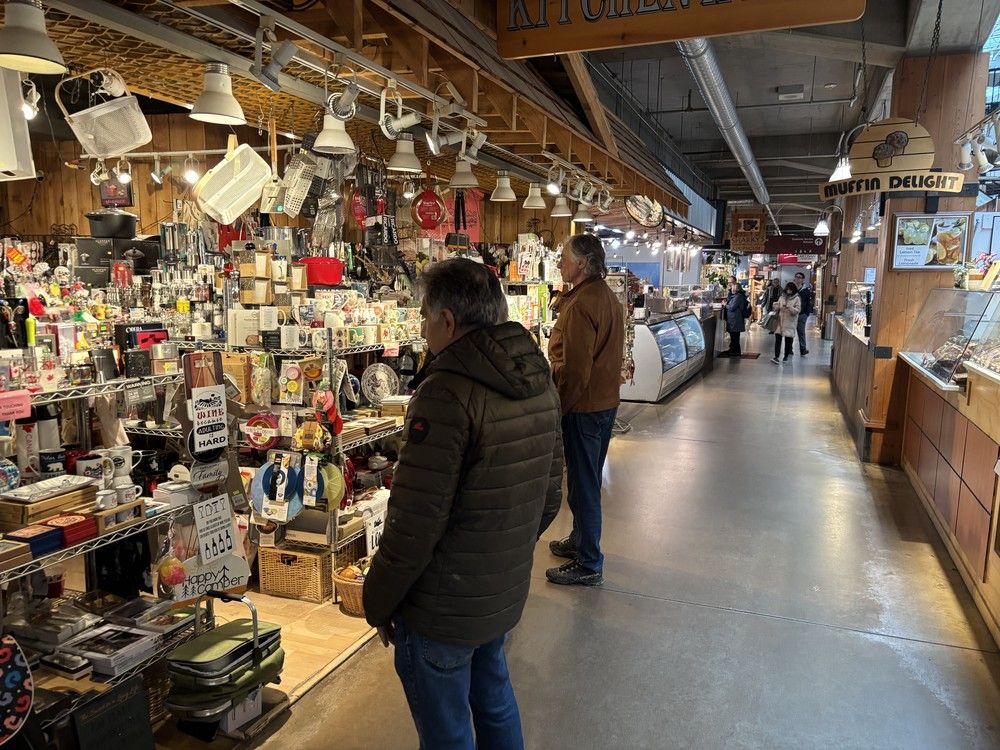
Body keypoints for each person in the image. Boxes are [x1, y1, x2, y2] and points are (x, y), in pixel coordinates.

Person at [362, 258, 563, 750]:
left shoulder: (445, 392)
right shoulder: (538, 378)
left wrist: (377, 600)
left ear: (447, 320)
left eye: (425, 316)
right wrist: (502, 553)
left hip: (439, 609)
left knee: (448, 733)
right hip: (498, 594)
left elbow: (413, 526)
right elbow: (552, 495)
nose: (424, 328)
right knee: (495, 702)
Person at [546, 234, 624, 587]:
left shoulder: (579, 305)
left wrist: (561, 407)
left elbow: (576, 372)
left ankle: (589, 562)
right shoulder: (606, 296)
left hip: (583, 407)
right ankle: (579, 540)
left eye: (565, 256)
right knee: (586, 478)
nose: (560, 261)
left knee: (584, 484)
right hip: (604, 404)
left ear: (583, 263)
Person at [771, 281, 802, 364]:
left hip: (790, 322)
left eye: (790, 289)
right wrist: (776, 306)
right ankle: (776, 357)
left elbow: (798, 310)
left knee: (788, 341)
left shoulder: (797, 299)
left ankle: (785, 356)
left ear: (793, 290)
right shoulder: (782, 297)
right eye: (787, 289)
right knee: (778, 340)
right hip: (780, 322)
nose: (788, 291)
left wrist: (790, 307)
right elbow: (778, 305)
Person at [721, 276, 749, 357]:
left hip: (735, 319)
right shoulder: (733, 295)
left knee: (735, 336)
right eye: (729, 283)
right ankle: (733, 350)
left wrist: (725, 304)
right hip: (733, 318)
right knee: (734, 336)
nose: (730, 285)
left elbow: (732, 307)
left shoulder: (738, 296)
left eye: (731, 284)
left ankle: (735, 352)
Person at [794, 271, 814, 356]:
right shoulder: (791, 288)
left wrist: (807, 313)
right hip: (791, 314)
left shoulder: (806, 290)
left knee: (801, 332)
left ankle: (803, 349)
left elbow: (809, 302)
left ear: (803, 280)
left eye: (799, 277)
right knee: (790, 332)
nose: (797, 278)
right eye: (796, 277)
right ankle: (789, 349)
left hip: (802, 314)